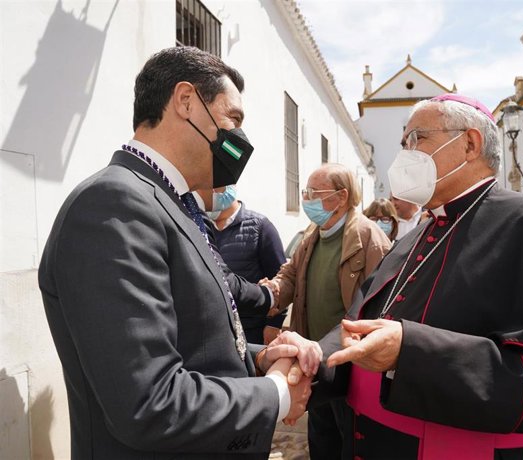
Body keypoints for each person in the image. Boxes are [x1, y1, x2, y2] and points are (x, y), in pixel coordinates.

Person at [282, 93, 523, 459]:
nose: (405, 155)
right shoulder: (415, 236)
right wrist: (314, 358)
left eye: (416, 139)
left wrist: (410, 352)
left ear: (470, 144)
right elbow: (357, 325)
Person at [37, 47, 315, 459]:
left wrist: (261, 359)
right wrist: (275, 393)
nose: (239, 138)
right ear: (186, 102)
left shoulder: (169, 202)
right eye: (233, 118)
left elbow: (196, 343)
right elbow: (149, 402)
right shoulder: (114, 204)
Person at [267, 163, 391, 459]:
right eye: (305, 192)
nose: (306, 199)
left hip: (351, 366)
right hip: (313, 362)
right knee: (321, 439)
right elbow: (289, 276)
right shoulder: (311, 235)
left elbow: (384, 302)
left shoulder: (369, 238)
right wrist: (270, 293)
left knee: (350, 440)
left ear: (341, 197)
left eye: (314, 193)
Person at [197, 185, 287, 345]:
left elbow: (280, 278)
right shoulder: (201, 228)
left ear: (228, 189)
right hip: (217, 331)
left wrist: (274, 324)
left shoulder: (260, 227)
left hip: (253, 330)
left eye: (214, 189)